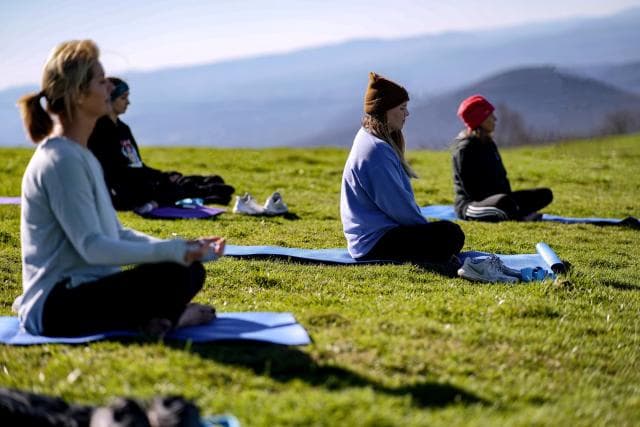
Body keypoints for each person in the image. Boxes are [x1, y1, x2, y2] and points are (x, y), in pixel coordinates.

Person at [14, 39, 224, 337]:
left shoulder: (81, 155)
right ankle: (172, 317)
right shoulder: (61, 161)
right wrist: (174, 251)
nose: (110, 88)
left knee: (188, 269)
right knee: (178, 272)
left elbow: (116, 233)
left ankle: (156, 318)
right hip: (57, 307)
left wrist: (184, 249)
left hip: (86, 291)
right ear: (78, 94)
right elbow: (93, 248)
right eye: (101, 81)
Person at [340, 72, 465, 266]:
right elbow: (398, 206)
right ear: (385, 110)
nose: (407, 114)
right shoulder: (376, 150)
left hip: (371, 238)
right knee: (450, 234)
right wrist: (425, 232)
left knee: (446, 233)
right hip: (373, 243)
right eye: (402, 108)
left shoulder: (370, 137)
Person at [87, 77, 235, 212]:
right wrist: (158, 178)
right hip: (125, 191)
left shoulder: (123, 128)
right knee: (183, 188)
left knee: (203, 180)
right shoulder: (100, 131)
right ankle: (158, 201)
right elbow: (116, 173)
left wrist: (163, 175)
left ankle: (168, 196)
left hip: (141, 181)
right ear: (109, 99)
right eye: (123, 98)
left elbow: (137, 164)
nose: (128, 102)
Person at [452, 95, 553, 221]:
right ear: (480, 120)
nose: (495, 119)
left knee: (545, 194)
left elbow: (502, 178)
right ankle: (516, 214)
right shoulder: (465, 149)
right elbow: (473, 192)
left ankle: (512, 210)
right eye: (490, 116)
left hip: (500, 199)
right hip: (472, 205)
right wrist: (502, 199)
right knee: (504, 202)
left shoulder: (489, 143)